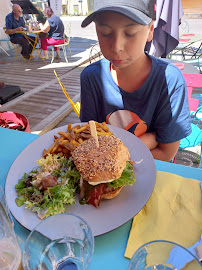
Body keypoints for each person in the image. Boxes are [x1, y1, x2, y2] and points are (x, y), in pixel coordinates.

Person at [79, 0, 191, 162]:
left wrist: (114, 156)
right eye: (105, 33)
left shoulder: (169, 80)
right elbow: (92, 141)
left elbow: (166, 153)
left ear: (151, 30)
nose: (117, 47)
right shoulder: (91, 77)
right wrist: (146, 141)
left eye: (130, 33)